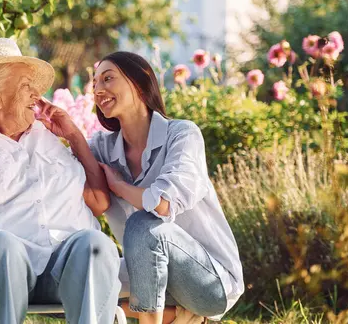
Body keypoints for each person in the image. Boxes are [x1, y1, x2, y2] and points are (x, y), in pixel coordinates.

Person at [38, 51, 244, 324]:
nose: (98, 90)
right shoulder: (102, 147)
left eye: (108, 79)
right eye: (95, 82)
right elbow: (74, 185)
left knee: (143, 224)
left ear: (139, 83)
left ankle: (180, 316)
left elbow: (163, 204)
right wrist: (73, 134)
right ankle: (176, 316)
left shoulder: (182, 134)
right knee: (67, 278)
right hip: (147, 272)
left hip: (209, 283)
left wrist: (120, 186)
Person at [0, 38, 120, 324]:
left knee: (95, 243)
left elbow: (98, 201)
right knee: (1, 245)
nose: (37, 94)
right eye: (25, 85)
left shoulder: (48, 138)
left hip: (58, 271)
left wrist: (73, 135)